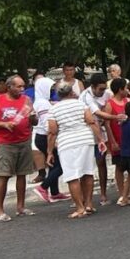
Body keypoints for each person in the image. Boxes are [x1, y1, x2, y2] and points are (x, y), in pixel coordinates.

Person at [47, 84, 106, 218]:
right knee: (87, 172)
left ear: (59, 95)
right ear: (71, 92)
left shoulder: (53, 109)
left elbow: (52, 131)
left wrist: (49, 152)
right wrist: (100, 140)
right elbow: (91, 122)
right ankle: (89, 204)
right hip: (85, 140)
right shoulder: (81, 105)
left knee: (72, 176)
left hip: (67, 143)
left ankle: (80, 208)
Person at [0, 75, 36, 222]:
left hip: (24, 140)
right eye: (18, 86)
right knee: (4, 175)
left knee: (22, 174)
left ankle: (21, 207)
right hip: (6, 143)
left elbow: (33, 120)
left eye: (23, 86)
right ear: (9, 87)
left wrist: (33, 117)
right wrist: (3, 125)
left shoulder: (26, 100)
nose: (22, 89)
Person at [80, 73, 120, 205]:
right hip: (87, 132)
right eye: (100, 89)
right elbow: (96, 113)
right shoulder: (86, 96)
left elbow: (112, 103)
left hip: (101, 129)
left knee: (101, 161)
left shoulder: (107, 93)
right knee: (85, 166)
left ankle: (103, 193)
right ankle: (84, 197)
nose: (102, 92)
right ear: (92, 87)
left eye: (104, 89)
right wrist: (114, 117)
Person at [32, 77, 68, 202]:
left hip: (43, 136)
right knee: (61, 165)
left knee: (54, 164)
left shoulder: (43, 101)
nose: (52, 90)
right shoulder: (42, 103)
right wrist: (53, 142)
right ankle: (43, 187)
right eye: (50, 88)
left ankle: (55, 192)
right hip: (45, 137)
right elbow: (47, 124)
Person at [103, 78, 130, 206]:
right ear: (120, 89)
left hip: (128, 138)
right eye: (125, 88)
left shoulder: (127, 101)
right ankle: (121, 193)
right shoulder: (110, 104)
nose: (127, 90)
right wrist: (112, 141)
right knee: (119, 167)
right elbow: (107, 124)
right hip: (117, 138)